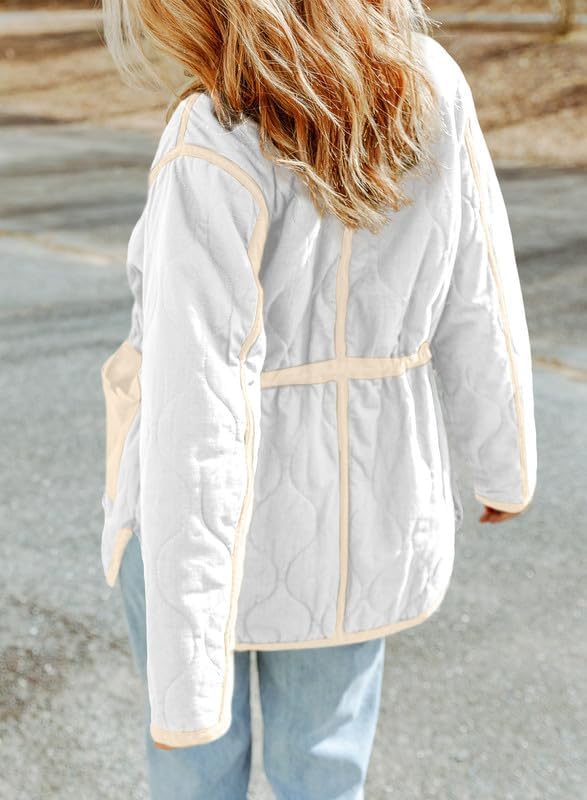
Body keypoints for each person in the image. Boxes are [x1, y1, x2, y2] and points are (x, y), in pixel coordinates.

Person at [98, 0, 537, 797]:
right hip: (366, 510)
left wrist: (186, 690)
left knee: (195, 766)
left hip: (201, 522)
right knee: (327, 767)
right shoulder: (427, 84)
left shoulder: (213, 134)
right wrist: (503, 466)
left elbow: (194, 407)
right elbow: (479, 296)